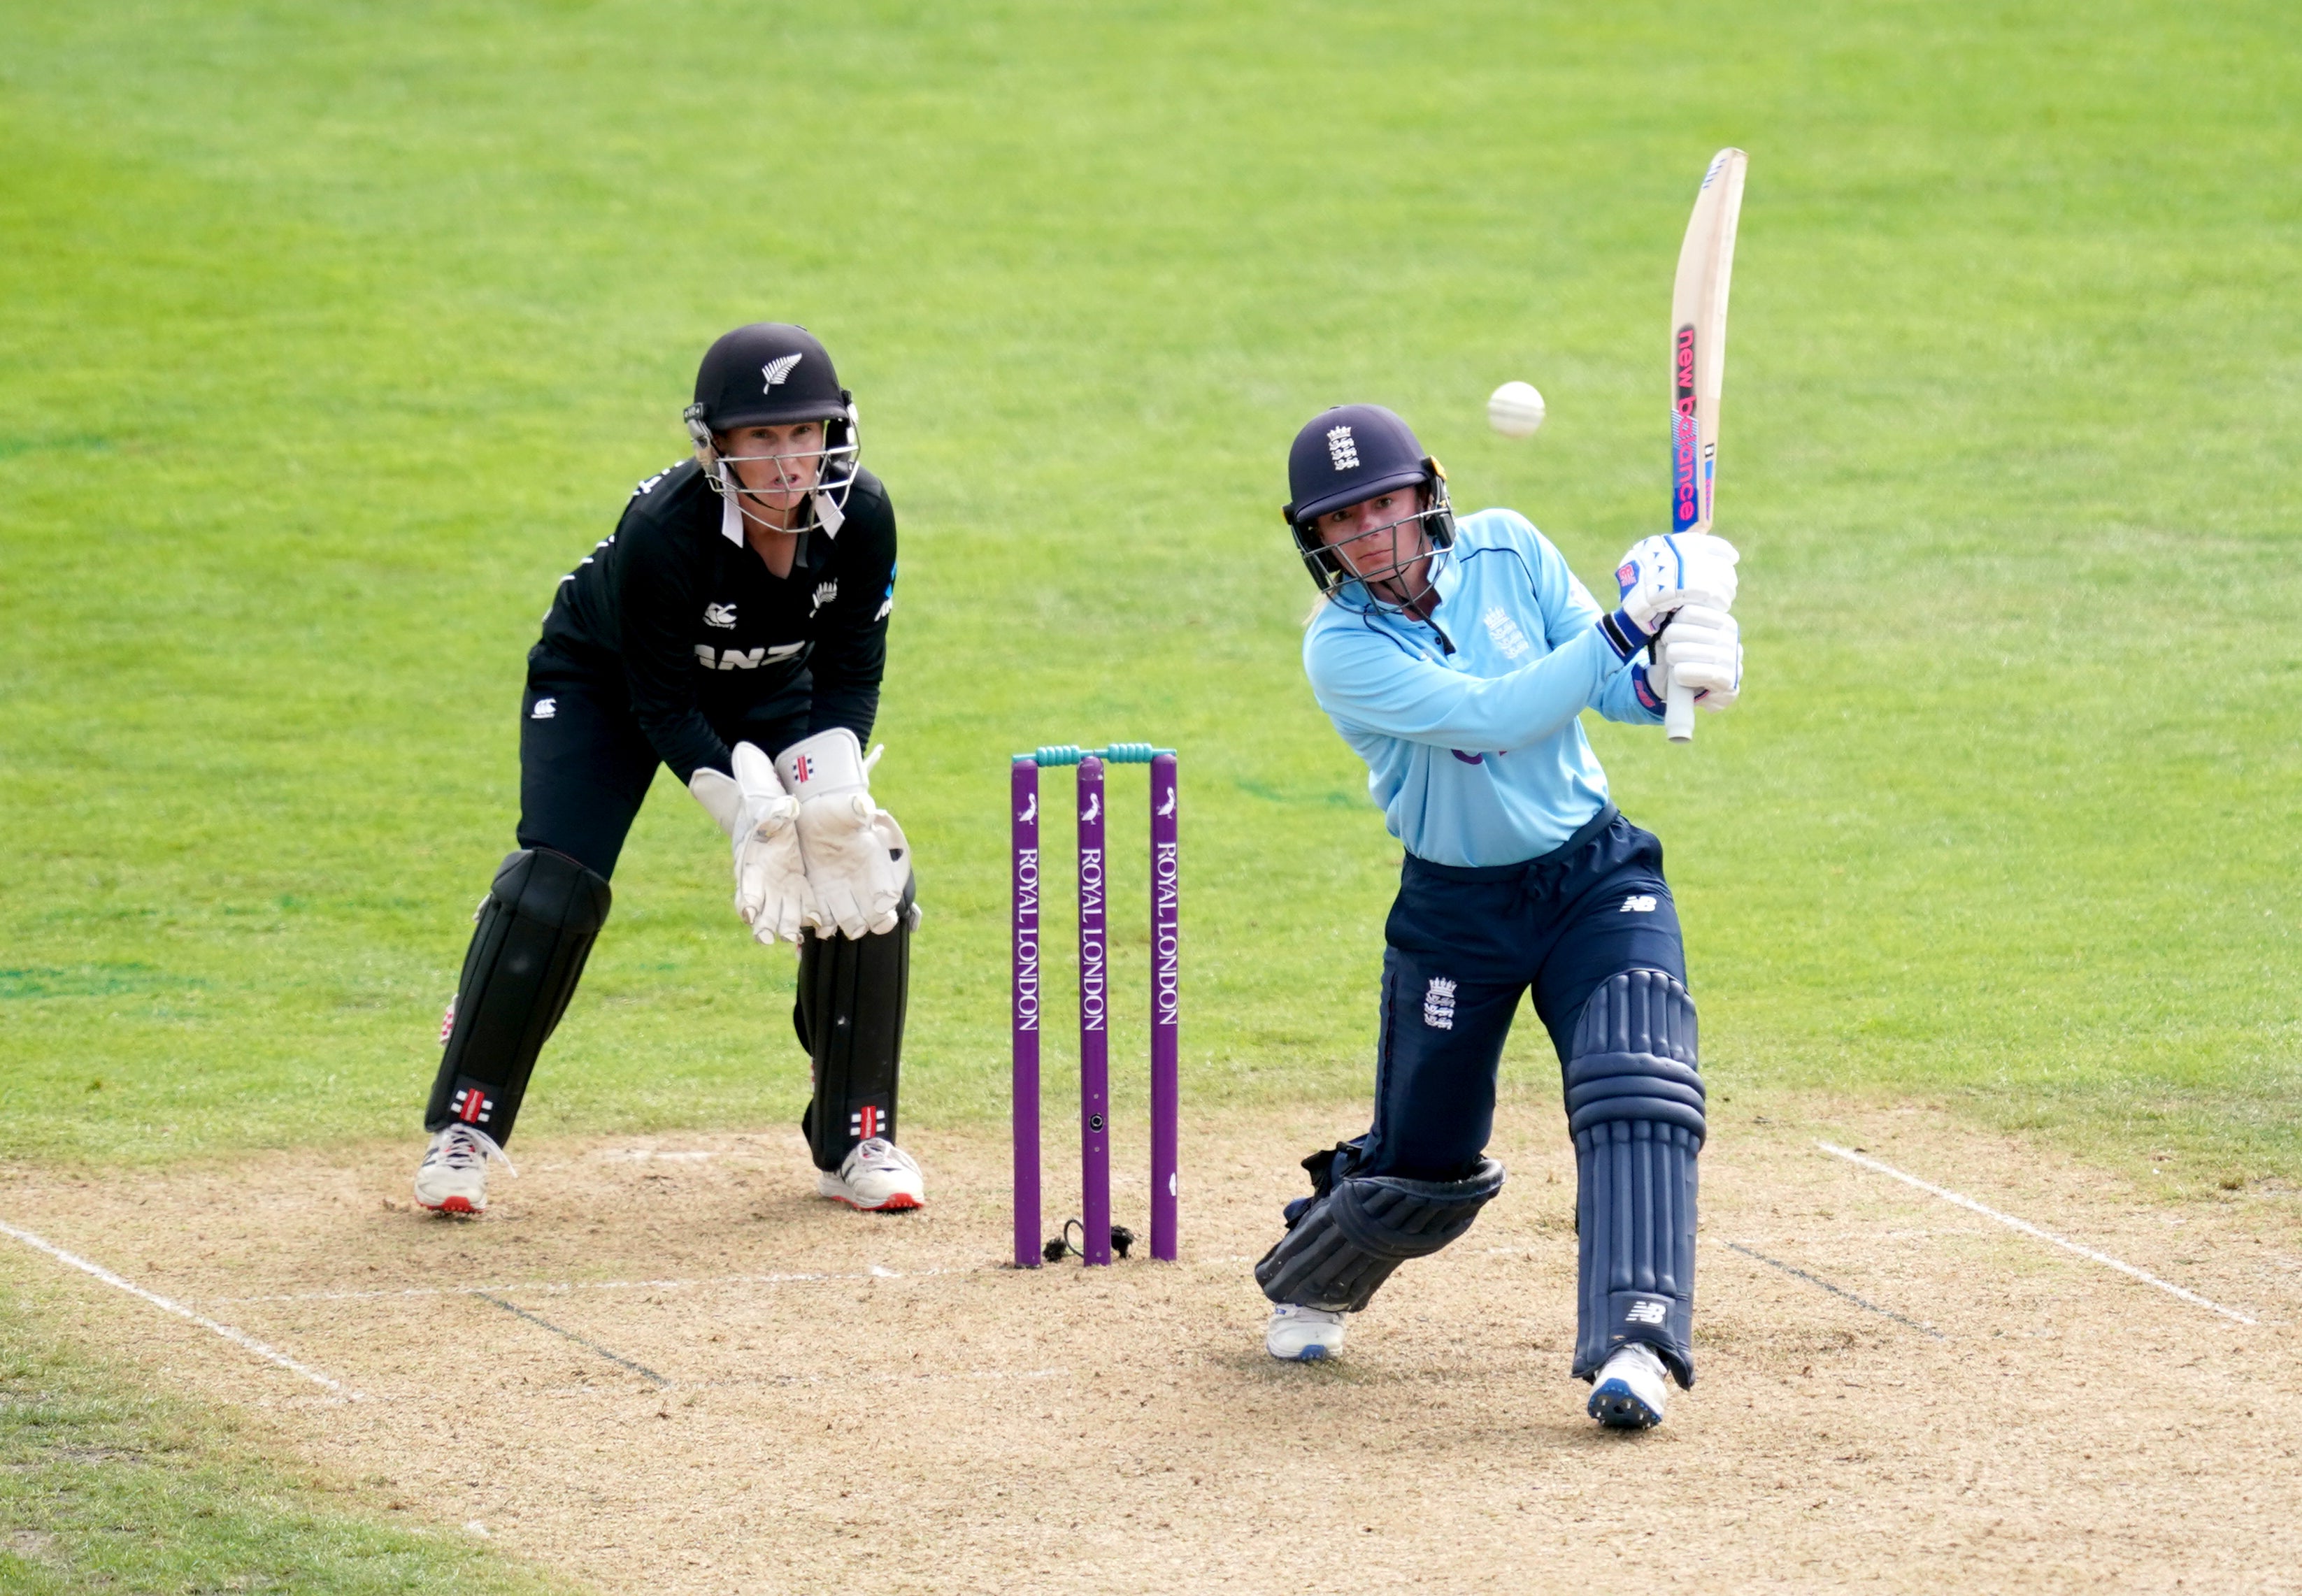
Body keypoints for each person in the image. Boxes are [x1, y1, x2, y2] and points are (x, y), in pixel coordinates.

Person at [1253, 404, 1743, 1430]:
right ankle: (1316, 1266)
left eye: (1384, 503)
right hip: (1457, 909)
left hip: (1592, 877)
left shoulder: (1510, 547)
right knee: (1426, 1168)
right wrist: (1627, 619)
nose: (1372, 534)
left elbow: (1604, 685)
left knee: (1638, 1079)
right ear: (1317, 539)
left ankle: (1638, 1342)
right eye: (1343, 520)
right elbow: (1492, 714)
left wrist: (1671, 665)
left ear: (1426, 489)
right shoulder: (1340, 649)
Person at [410, 323, 924, 1218]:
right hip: (608, 684)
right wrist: (749, 815)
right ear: (715, 444)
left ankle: (856, 1137)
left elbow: (850, 676)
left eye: (804, 433)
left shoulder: (865, 515)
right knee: (552, 887)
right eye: (762, 438)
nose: (788, 459)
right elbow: (661, 708)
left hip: (774, 682)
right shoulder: (662, 530)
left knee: (862, 869)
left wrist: (830, 790)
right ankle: (466, 1129)